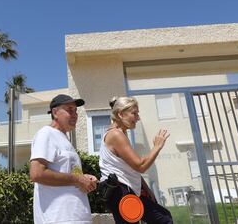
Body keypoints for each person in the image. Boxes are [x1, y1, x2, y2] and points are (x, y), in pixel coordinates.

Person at [99, 96, 173, 224]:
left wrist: (145, 188)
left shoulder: (120, 133)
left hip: (126, 192)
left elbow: (130, 168)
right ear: (121, 114)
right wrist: (157, 147)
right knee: (164, 219)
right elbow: (140, 165)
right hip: (121, 193)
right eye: (135, 113)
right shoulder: (116, 135)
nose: (138, 118)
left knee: (164, 217)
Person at [30, 94, 98, 224]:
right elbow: (37, 174)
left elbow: (70, 175)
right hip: (58, 218)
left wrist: (84, 178)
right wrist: (78, 179)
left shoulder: (64, 139)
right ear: (55, 112)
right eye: (69, 110)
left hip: (75, 217)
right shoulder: (46, 133)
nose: (75, 115)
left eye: (76, 111)